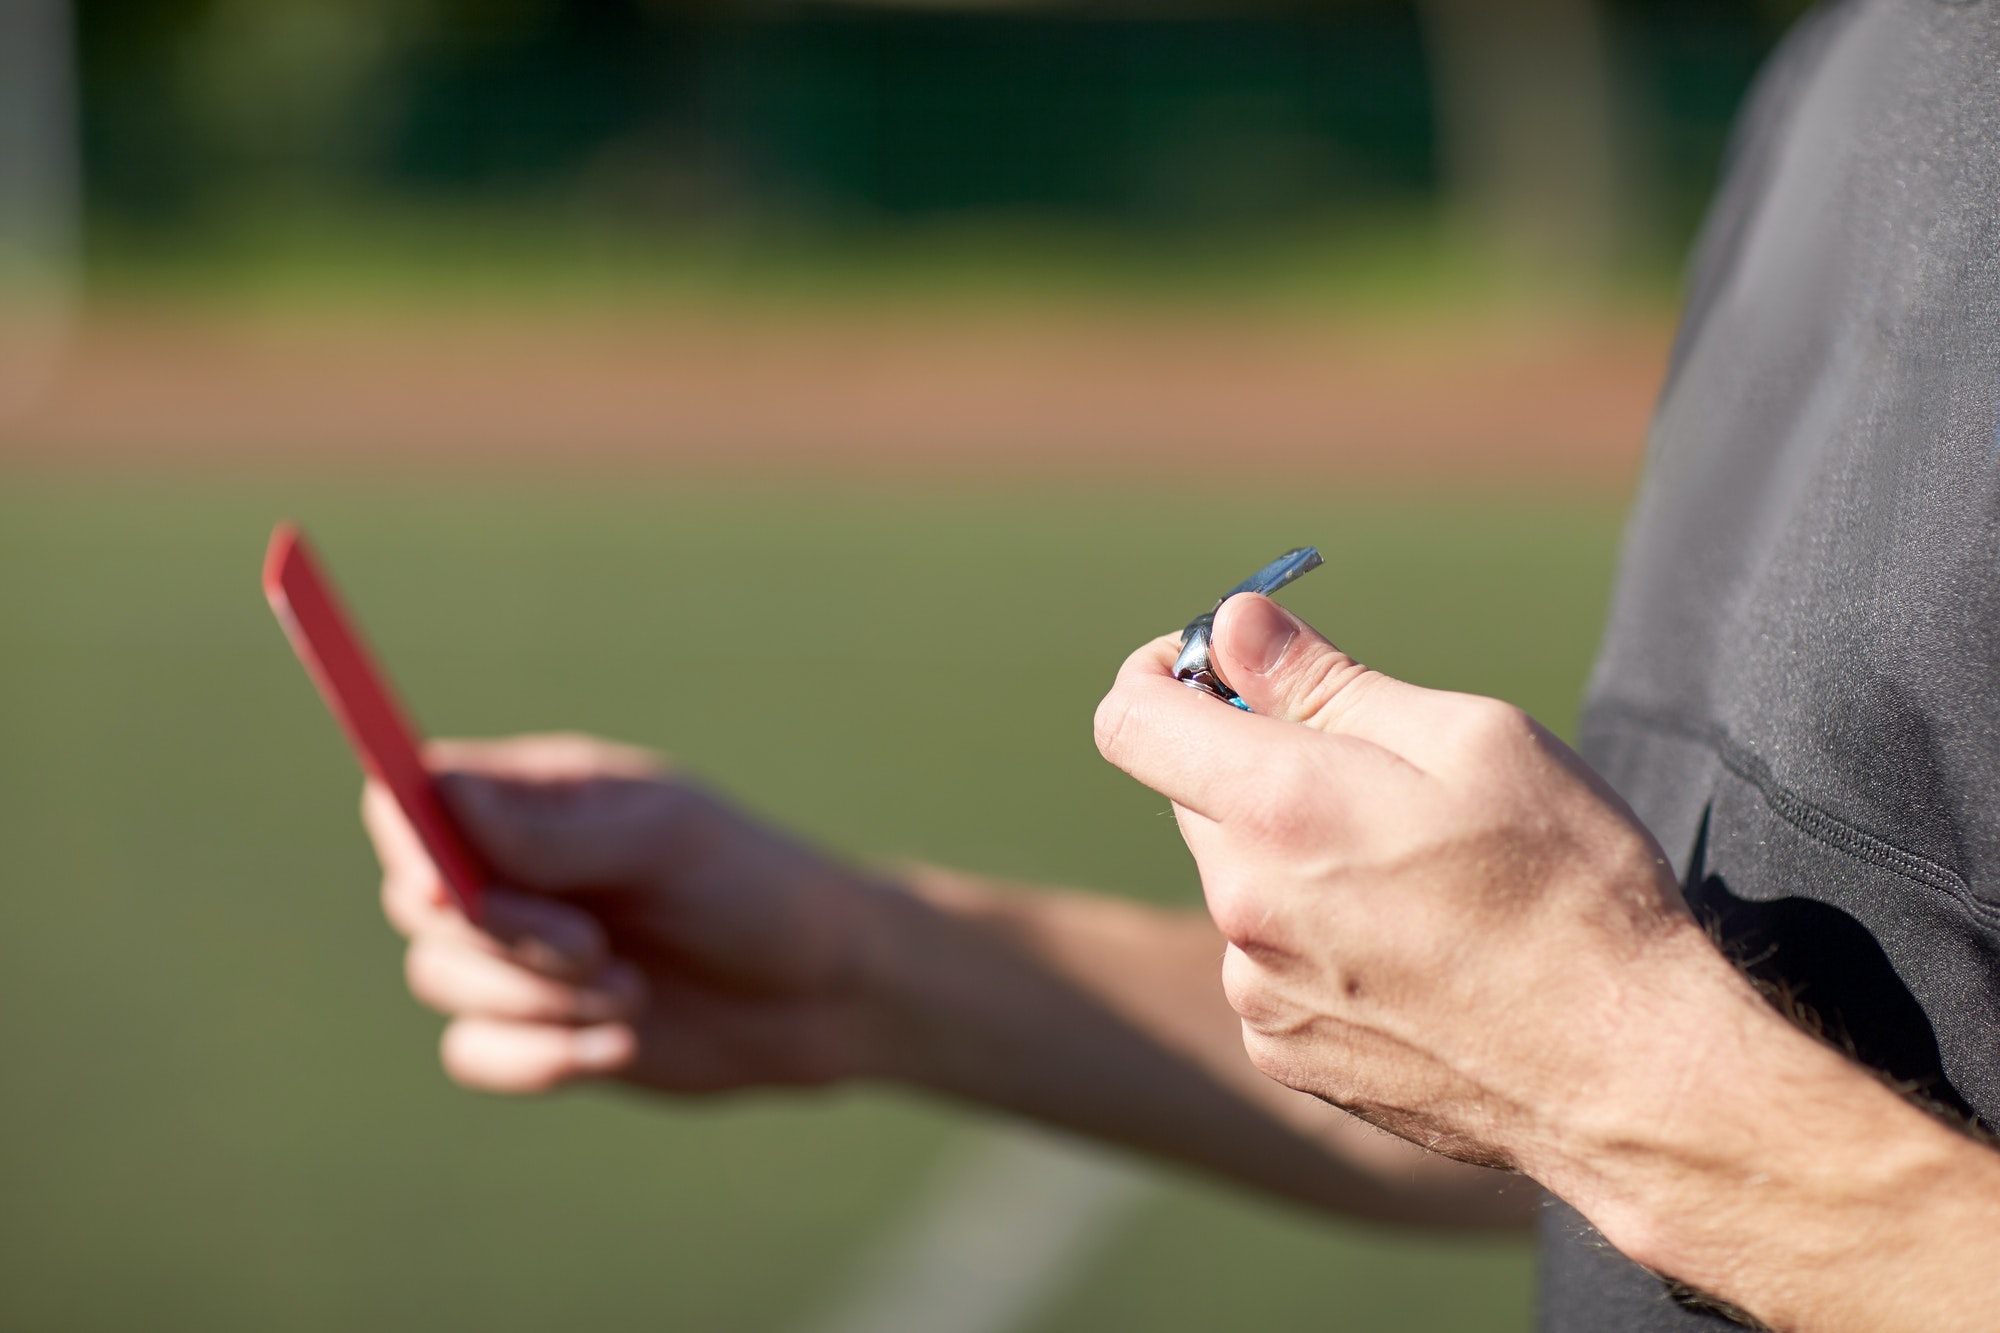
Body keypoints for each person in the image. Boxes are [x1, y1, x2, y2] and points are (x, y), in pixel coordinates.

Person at [364, 3, 2000, 1328]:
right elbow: (1777, 1080)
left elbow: (1665, 1087)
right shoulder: (1853, 69)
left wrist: (1619, 1069)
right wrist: (851, 958)